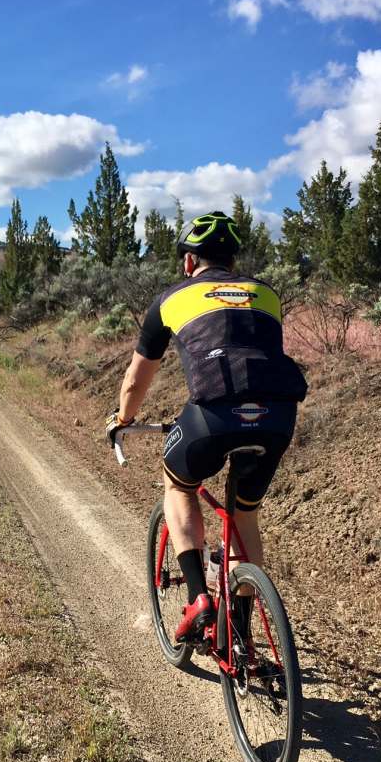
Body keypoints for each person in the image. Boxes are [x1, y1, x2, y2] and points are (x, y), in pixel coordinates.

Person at [106, 211, 308, 643]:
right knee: (244, 514)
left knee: (178, 485)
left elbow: (136, 380)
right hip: (278, 415)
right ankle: (242, 635)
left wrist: (123, 420)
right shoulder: (266, 294)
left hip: (214, 413)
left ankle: (198, 597)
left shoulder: (170, 299)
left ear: (188, 262)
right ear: (233, 261)